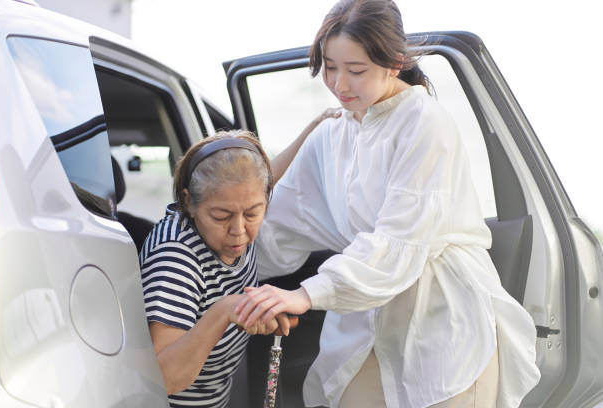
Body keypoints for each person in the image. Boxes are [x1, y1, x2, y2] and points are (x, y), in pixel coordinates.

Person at [234, 1, 541, 407]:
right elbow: (279, 225)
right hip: (364, 325)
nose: (340, 84)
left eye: (356, 70)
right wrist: (215, 263)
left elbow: (399, 242)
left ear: (395, 64)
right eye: (329, 67)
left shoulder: (424, 124)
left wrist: (306, 295)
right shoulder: (332, 134)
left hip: (443, 324)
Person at [139, 130, 295, 408]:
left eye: (252, 213)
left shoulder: (240, 211)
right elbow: (164, 379)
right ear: (189, 202)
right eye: (221, 216)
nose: (238, 231)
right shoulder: (176, 257)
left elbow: (271, 177)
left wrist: (319, 124)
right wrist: (226, 311)